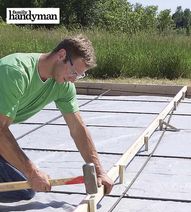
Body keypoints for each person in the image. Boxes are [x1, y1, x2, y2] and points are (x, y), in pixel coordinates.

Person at [0, 35, 113, 203]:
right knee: (27, 179)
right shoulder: (16, 72)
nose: (74, 79)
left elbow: (78, 128)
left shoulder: (63, 86)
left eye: (80, 76)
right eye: (74, 72)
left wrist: (99, 170)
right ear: (61, 55)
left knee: (23, 190)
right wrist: (32, 172)